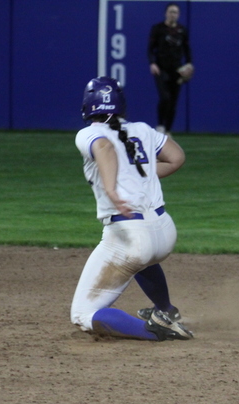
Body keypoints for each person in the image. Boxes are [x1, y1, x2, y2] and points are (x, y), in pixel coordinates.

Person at [71, 76, 194, 341]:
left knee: (83, 313)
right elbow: (177, 158)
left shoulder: (89, 133)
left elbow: (104, 148)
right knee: (142, 261)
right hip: (164, 231)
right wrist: (141, 175)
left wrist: (113, 189)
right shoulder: (143, 129)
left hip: (130, 237)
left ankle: (158, 332)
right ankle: (166, 311)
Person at [148, 3, 193, 136]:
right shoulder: (158, 29)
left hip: (177, 70)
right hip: (161, 69)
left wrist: (189, 64)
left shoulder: (182, 30)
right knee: (165, 97)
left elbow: (187, 49)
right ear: (166, 13)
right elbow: (150, 49)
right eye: (171, 11)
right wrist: (152, 63)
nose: (173, 14)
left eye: (175, 12)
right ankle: (160, 125)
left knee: (173, 101)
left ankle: (168, 130)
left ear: (178, 15)